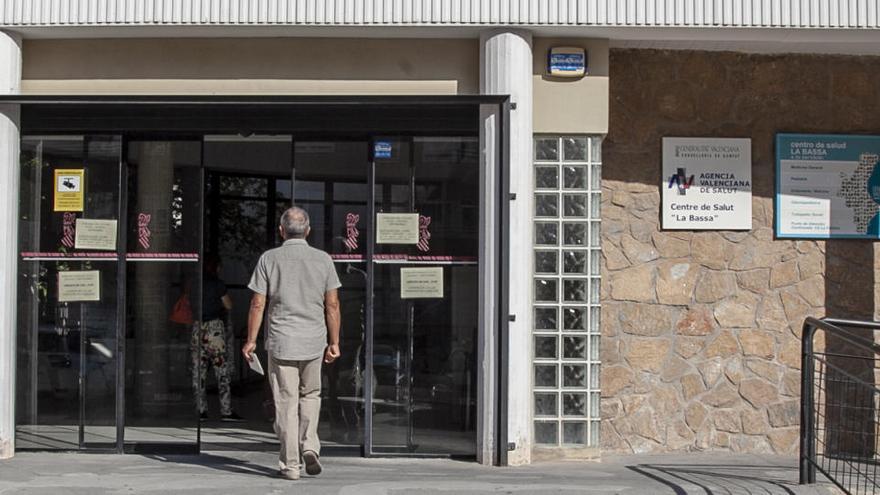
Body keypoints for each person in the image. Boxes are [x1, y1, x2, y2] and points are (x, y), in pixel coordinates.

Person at [243, 206, 342, 481]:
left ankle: (291, 465)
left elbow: (257, 303)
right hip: (313, 341)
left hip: (282, 341)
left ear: (281, 230)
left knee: (286, 402)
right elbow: (332, 305)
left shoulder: (269, 259)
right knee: (311, 395)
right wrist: (334, 342)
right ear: (308, 231)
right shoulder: (323, 260)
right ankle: (310, 445)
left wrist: (251, 340)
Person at [191, 254, 242, 421]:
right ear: (215, 268)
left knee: (199, 372)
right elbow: (228, 305)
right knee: (221, 371)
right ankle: (226, 410)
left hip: (198, 328)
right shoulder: (217, 284)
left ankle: (200, 410)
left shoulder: (194, 285)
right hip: (214, 330)